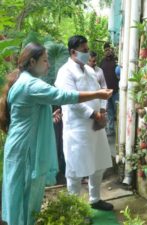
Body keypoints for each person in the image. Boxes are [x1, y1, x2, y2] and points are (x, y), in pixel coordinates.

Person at [0, 42, 113, 225]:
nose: (49, 64)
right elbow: (63, 95)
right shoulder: (31, 84)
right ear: (32, 62)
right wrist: (97, 94)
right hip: (25, 148)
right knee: (25, 193)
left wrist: (46, 114)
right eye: (45, 60)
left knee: (23, 191)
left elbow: (27, 111)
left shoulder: (24, 80)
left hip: (21, 144)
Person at [55, 35, 114, 211]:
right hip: (78, 129)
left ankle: (95, 199)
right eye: (84, 50)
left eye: (88, 49)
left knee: (99, 164)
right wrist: (93, 114)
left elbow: (100, 92)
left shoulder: (89, 70)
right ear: (73, 52)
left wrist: (102, 111)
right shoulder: (65, 72)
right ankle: (74, 208)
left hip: (97, 125)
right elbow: (71, 101)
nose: (87, 53)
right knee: (75, 170)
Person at [100, 42, 119, 136]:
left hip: (116, 91)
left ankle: (120, 131)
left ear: (112, 50)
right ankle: (111, 130)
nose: (107, 51)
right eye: (106, 50)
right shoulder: (102, 62)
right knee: (110, 112)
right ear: (104, 51)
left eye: (109, 49)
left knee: (118, 111)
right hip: (106, 92)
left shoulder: (116, 61)